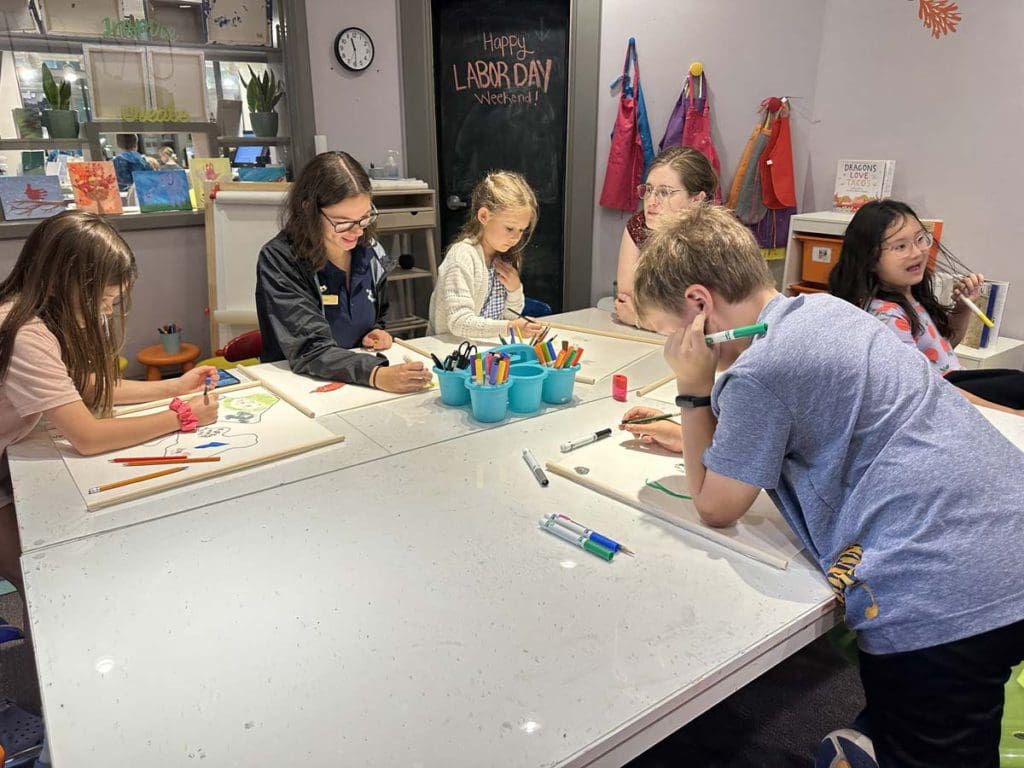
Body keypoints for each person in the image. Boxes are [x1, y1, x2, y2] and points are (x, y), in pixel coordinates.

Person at [632, 204, 1024, 768]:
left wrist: (692, 390)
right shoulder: (823, 311)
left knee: (940, 744)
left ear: (698, 305)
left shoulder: (760, 371)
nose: (674, 348)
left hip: (942, 589)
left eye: (670, 335)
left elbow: (717, 505)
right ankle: (878, 739)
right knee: (934, 719)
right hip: (1001, 535)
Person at [0, 210, 220, 595]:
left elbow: (85, 386)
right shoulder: (25, 333)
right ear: (62, 283)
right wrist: (182, 416)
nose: (106, 311)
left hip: (11, 455)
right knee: (45, 582)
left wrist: (175, 387)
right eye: (102, 300)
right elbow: (88, 436)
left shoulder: (39, 313)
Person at [255, 151, 429, 393]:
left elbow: (376, 313)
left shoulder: (369, 249)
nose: (356, 231)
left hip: (354, 384)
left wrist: (375, 331)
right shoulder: (280, 259)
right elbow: (310, 350)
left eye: (365, 217)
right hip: (299, 385)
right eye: (342, 221)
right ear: (309, 210)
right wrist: (375, 374)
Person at [829, 199, 1023, 413]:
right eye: (900, 246)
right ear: (869, 258)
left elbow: (944, 350)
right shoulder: (887, 316)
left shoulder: (909, 295)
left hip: (953, 385)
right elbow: (924, 388)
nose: (917, 252)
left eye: (921, 239)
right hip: (945, 396)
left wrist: (963, 306)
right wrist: (1010, 415)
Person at [428, 171, 545, 339]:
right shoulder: (461, 256)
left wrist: (515, 290)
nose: (516, 238)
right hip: (451, 351)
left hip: (487, 350)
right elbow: (459, 322)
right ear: (483, 216)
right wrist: (511, 328)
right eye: (509, 228)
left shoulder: (506, 256)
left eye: (521, 230)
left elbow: (509, 317)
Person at [613, 147, 717, 328]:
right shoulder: (640, 224)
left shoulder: (718, 236)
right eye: (649, 190)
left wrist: (643, 319)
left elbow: (705, 319)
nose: (651, 201)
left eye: (665, 192)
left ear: (697, 199)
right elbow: (627, 297)